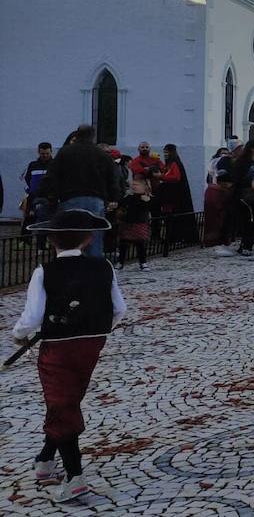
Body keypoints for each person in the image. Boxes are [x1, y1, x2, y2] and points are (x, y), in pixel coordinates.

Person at [11, 208, 127, 502]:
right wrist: (97, 330)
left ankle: (75, 477)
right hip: (92, 345)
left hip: (58, 347)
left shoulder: (44, 272)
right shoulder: (105, 267)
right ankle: (45, 460)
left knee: (62, 404)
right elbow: (119, 310)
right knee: (66, 401)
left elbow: (33, 316)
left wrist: (19, 335)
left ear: (52, 240)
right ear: (88, 240)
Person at [37, 125, 120, 259]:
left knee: (72, 235)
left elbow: (52, 175)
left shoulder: (65, 152)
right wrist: (114, 197)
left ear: (78, 134)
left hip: (70, 197)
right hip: (95, 199)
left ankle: (71, 264)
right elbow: (112, 177)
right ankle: (94, 267)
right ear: (92, 136)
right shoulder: (101, 154)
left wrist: (43, 193)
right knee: (95, 235)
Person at [115, 177, 154, 270]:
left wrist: (148, 201)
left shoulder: (146, 198)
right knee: (123, 244)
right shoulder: (129, 198)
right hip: (128, 223)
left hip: (140, 223)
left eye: (136, 185)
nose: (134, 186)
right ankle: (120, 262)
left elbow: (150, 208)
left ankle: (143, 262)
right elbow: (120, 204)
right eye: (133, 184)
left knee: (141, 244)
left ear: (144, 187)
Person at [21, 142, 54, 247]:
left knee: (49, 218)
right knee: (29, 217)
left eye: (47, 153)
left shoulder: (55, 164)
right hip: (34, 195)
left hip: (50, 196)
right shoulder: (33, 165)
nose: (44, 156)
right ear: (38, 152)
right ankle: (24, 240)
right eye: (42, 154)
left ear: (51, 152)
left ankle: (47, 241)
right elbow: (27, 178)